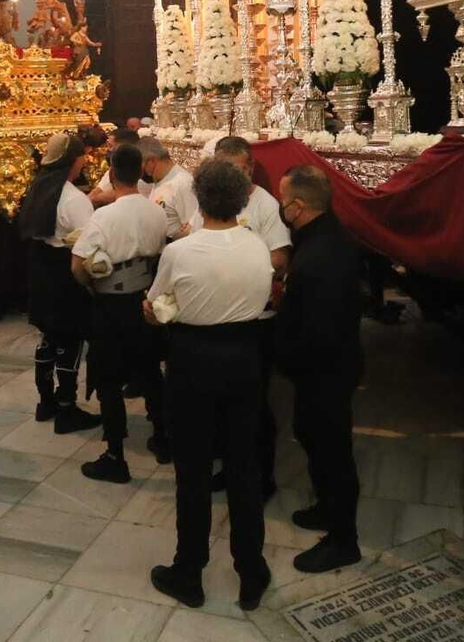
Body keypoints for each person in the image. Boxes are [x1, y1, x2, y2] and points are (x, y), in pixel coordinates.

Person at [144, 159, 272, 612]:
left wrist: (163, 310)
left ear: (199, 199)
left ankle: (188, 571)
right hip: (244, 358)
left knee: (193, 470)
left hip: (192, 361)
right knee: (244, 467)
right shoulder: (258, 246)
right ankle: (251, 571)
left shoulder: (180, 252)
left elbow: (156, 304)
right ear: (242, 199)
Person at [276, 164, 364, 573]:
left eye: (282, 200)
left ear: (297, 206)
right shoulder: (321, 236)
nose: (280, 206)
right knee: (310, 436)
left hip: (325, 369)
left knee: (333, 450)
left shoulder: (320, 255)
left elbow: (320, 328)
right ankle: (326, 508)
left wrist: (284, 350)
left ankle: (344, 540)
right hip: (321, 366)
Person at [194, 136, 290, 500]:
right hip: (214, 313)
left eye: (233, 169)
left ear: (249, 168)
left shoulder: (264, 205)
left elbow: (280, 257)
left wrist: (242, 266)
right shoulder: (211, 201)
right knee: (218, 401)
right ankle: (229, 468)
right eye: (221, 169)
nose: (227, 176)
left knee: (253, 404)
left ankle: (260, 477)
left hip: (253, 317)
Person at [73, 143, 169, 483]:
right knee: (150, 369)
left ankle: (115, 454)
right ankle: (163, 438)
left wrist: (91, 283)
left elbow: (78, 265)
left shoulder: (104, 216)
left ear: (112, 174)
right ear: (140, 170)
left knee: (109, 379)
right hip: (144, 298)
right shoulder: (156, 210)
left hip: (111, 303)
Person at [18, 132, 101, 432]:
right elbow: (87, 246)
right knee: (71, 339)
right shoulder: (73, 199)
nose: (84, 161)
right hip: (64, 274)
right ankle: (67, 409)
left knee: (48, 337)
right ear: (73, 160)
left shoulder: (38, 190)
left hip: (40, 270)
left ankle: (46, 402)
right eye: (82, 157)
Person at [138, 137, 196, 238]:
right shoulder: (159, 179)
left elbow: (193, 227)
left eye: (141, 164)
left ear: (151, 161)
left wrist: (174, 240)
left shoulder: (183, 183)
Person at [89, 127, 146, 209]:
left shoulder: (140, 168)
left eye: (110, 146)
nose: (107, 150)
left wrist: (95, 199)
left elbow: (123, 192)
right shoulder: (114, 168)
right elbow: (95, 192)